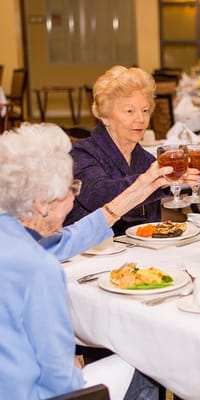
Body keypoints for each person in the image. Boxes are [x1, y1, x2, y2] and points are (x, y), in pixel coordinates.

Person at [0, 123, 173, 398]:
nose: (74, 198)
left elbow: (64, 241)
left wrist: (140, 188)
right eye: (71, 189)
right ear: (43, 203)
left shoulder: (15, 236)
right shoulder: (38, 269)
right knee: (147, 358)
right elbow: (59, 383)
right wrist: (74, 364)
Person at [64, 65, 197, 235]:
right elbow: (100, 195)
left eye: (145, 110)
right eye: (129, 111)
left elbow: (150, 225)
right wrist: (151, 180)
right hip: (92, 254)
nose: (140, 119)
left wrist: (172, 180)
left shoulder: (146, 160)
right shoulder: (81, 154)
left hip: (140, 255)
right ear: (105, 116)